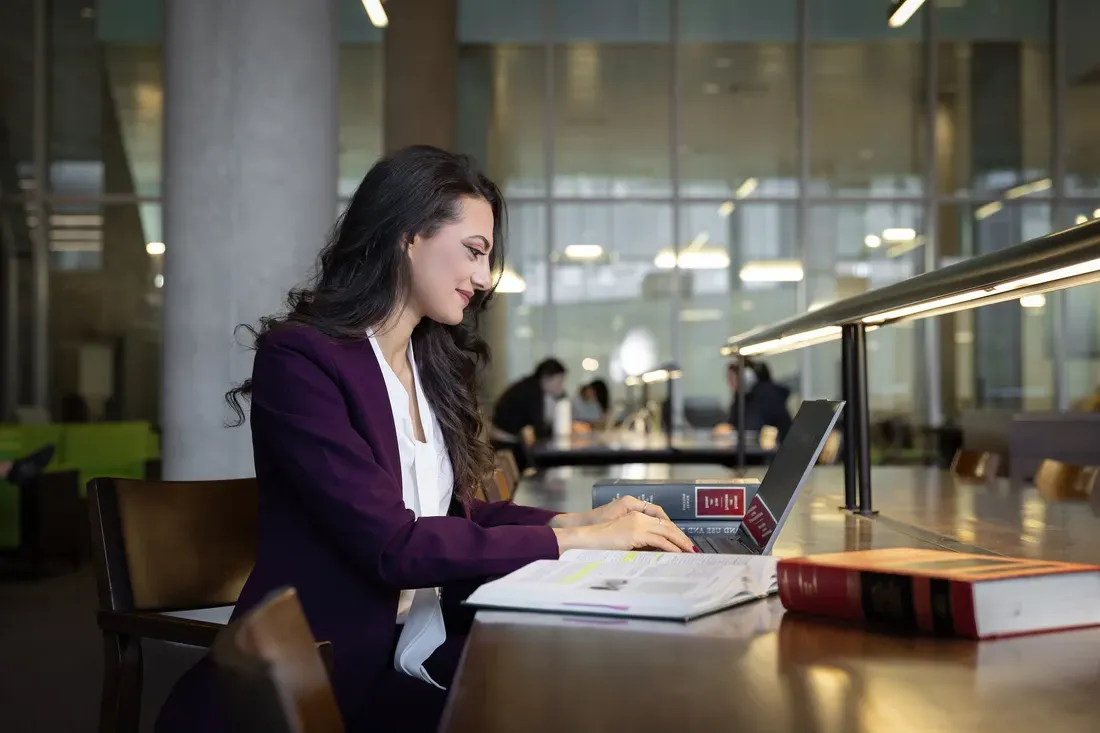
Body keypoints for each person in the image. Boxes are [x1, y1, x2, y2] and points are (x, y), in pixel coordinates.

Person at [155, 146, 695, 733]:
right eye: (474, 251)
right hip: (329, 677)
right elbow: (395, 545)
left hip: (418, 644)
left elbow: (455, 515)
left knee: (599, 676)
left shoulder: (425, 364)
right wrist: (579, 543)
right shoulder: (302, 359)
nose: (484, 279)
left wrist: (574, 522)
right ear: (409, 236)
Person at [491, 358, 567, 441]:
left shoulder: (529, 385)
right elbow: (538, 429)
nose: (561, 386)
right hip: (505, 441)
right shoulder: (533, 391)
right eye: (559, 382)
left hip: (504, 436)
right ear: (546, 377)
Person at [725, 359, 793, 441]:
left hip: (779, 447)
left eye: (733, 378)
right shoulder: (743, 396)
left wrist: (731, 429)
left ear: (747, 377)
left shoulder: (766, 394)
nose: (730, 383)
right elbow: (734, 421)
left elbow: (754, 426)